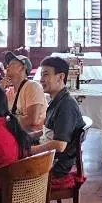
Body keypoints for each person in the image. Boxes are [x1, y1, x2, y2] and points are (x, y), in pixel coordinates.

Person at [34, 55, 84, 183]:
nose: (41, 80)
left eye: (45, 75)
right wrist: (23, 137)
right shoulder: (57, 100)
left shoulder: (66, 105)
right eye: (41, 75)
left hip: (55, 165)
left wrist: (30, 151)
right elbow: (47, 132)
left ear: (61, 77)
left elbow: (59, 145)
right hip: (47, 156)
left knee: (6, 169)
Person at [2, 50, 48, 133]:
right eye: (8, 64)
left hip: (33, 137)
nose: (7, 67)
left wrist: (6, 122)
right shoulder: (9, 91)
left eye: (12, 64)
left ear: (23, 68)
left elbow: (32, 120)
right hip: (16, 134)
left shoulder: (32, 86)